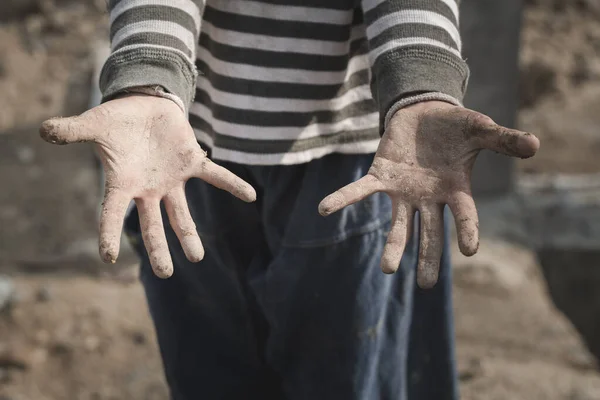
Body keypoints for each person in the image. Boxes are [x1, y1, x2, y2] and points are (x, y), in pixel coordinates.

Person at [40, 1, 540, 399]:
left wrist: (421, 88)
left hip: (355, 165)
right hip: (182, 153)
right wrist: (148, 77)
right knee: (209, 375)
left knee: (345, 379)